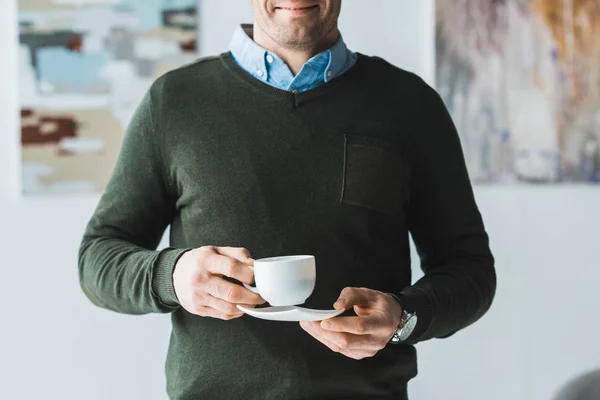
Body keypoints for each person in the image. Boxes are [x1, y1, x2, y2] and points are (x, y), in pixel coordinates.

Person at [78, 1, 497, 399]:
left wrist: (404, 317)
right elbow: (98, 257)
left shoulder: (410, 105)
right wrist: (172, 276)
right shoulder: (173, 102)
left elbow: (470, 269)